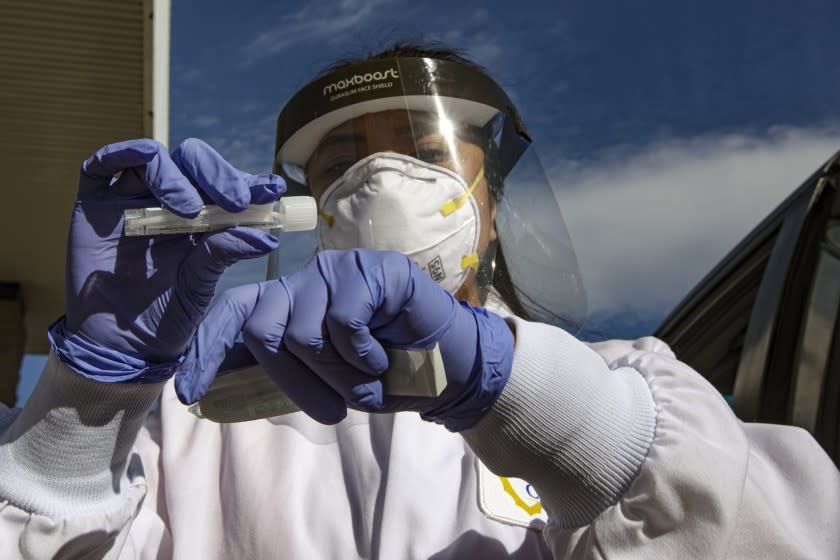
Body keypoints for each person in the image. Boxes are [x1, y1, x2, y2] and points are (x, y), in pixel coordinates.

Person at [0, 42, 838, 560]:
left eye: (426, 149)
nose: (380, 181)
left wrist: (554, 422)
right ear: (312, 207)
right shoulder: (195, 426)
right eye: (342, 163)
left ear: (494, 204)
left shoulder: (620, 400)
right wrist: (90, 401)